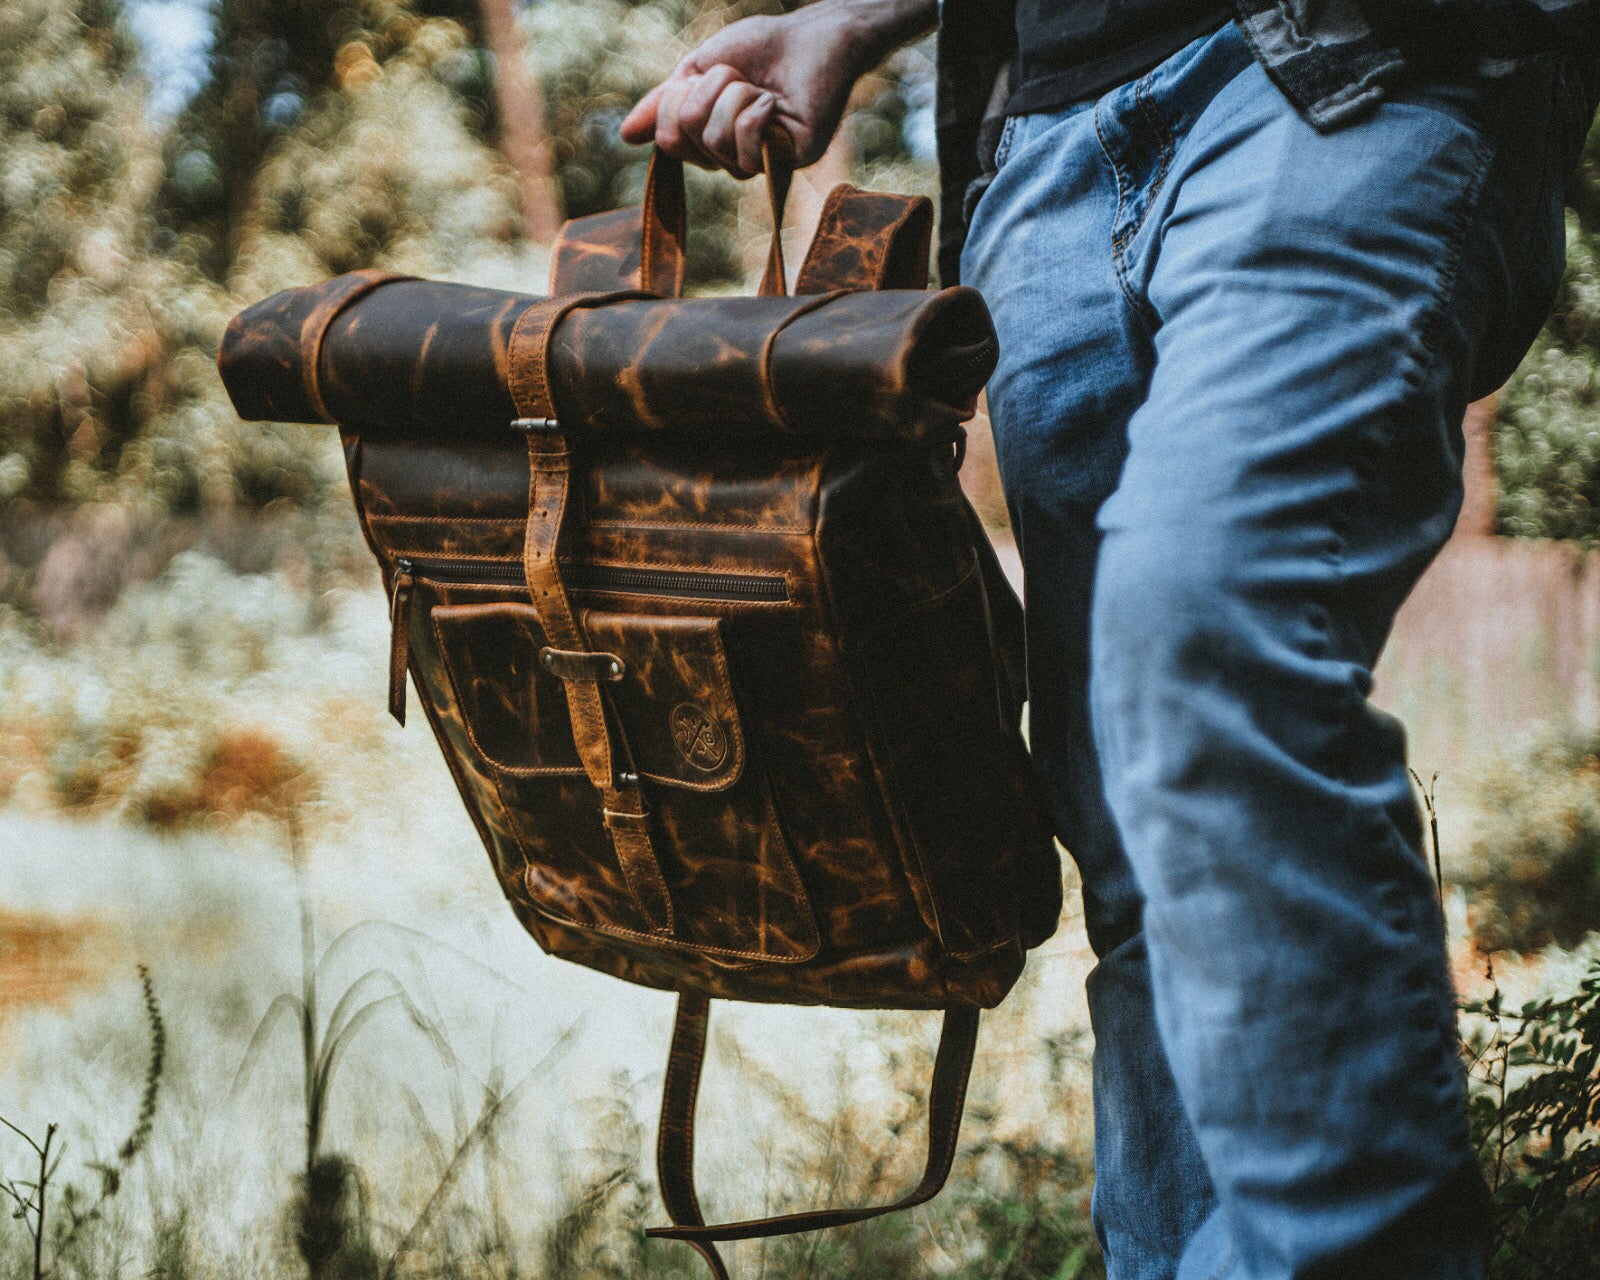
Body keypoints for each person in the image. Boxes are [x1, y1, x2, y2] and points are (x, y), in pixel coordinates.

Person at [621, 4, 1600, 1278]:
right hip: (1041, 147)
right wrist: (846, 22)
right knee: (1134, 839)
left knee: (1206, 628)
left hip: (1342, 65)